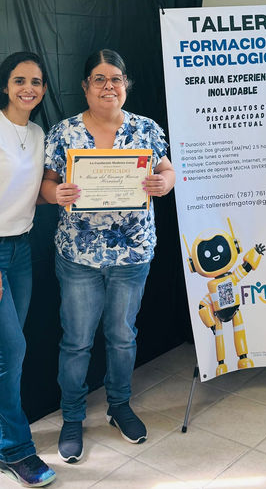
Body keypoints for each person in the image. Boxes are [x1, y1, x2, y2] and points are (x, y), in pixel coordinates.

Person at [41, 49, 175, 463]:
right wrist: (55, 194)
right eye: (99, 79)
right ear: (85, 86)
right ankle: (72, 417)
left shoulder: (145, 128)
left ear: (126, 84)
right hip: (78, 255)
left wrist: (165, 183)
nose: (108, 86)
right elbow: (46, 183)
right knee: (77, 341)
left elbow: (168, 170)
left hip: (132, 253)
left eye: (116, 78)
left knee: (122, 336)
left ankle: (119, 406)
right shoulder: (64, 132)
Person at [0, 52, 56, 486]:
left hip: (22, 248)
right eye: (20, 80)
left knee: (7, 352)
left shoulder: (37, 133)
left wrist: (64, 193)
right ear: (5, 85)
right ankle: (15, 450)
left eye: (36, 82)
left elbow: (30, 192)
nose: (28, 88)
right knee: (12, 351)